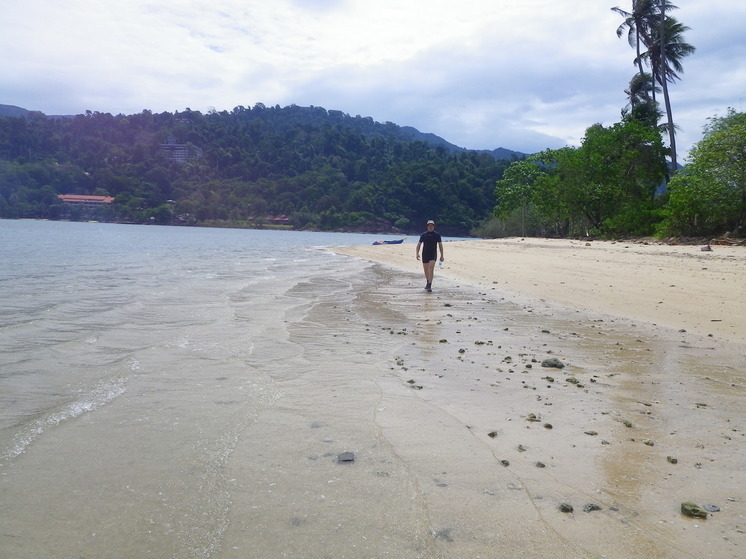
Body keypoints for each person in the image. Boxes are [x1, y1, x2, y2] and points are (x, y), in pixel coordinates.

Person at [415, 220, 444, 292]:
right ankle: (428, 282)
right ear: (427, 226)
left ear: (434, 227)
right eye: (429, 225)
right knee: (426, 270)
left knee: (431, 268)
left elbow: (440, 245)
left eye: (432, 225)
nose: (430, 227)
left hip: (433, 254)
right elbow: (419, 244)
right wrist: (417, 253)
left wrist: (442, 255)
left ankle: (429, 285)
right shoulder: (423, 235)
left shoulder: (437, 235)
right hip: (425, 253)